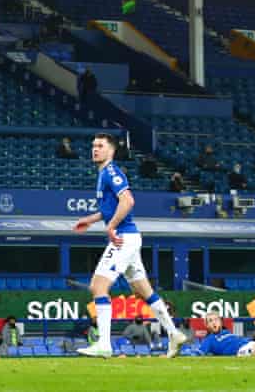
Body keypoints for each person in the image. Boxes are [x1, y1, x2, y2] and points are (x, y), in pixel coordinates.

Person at [74, 133, 186, 359]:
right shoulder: (103, 174)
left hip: (124, 238)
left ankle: (104, 344)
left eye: (100, 146)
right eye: (93, 145)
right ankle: (174, 334)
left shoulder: (112, 172)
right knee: (144, 291)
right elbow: (110, 208)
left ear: (111, 151)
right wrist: (91, 219)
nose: (95, 149)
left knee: (98, 286)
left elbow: (128, 201)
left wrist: (111, 227)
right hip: (130, 238)